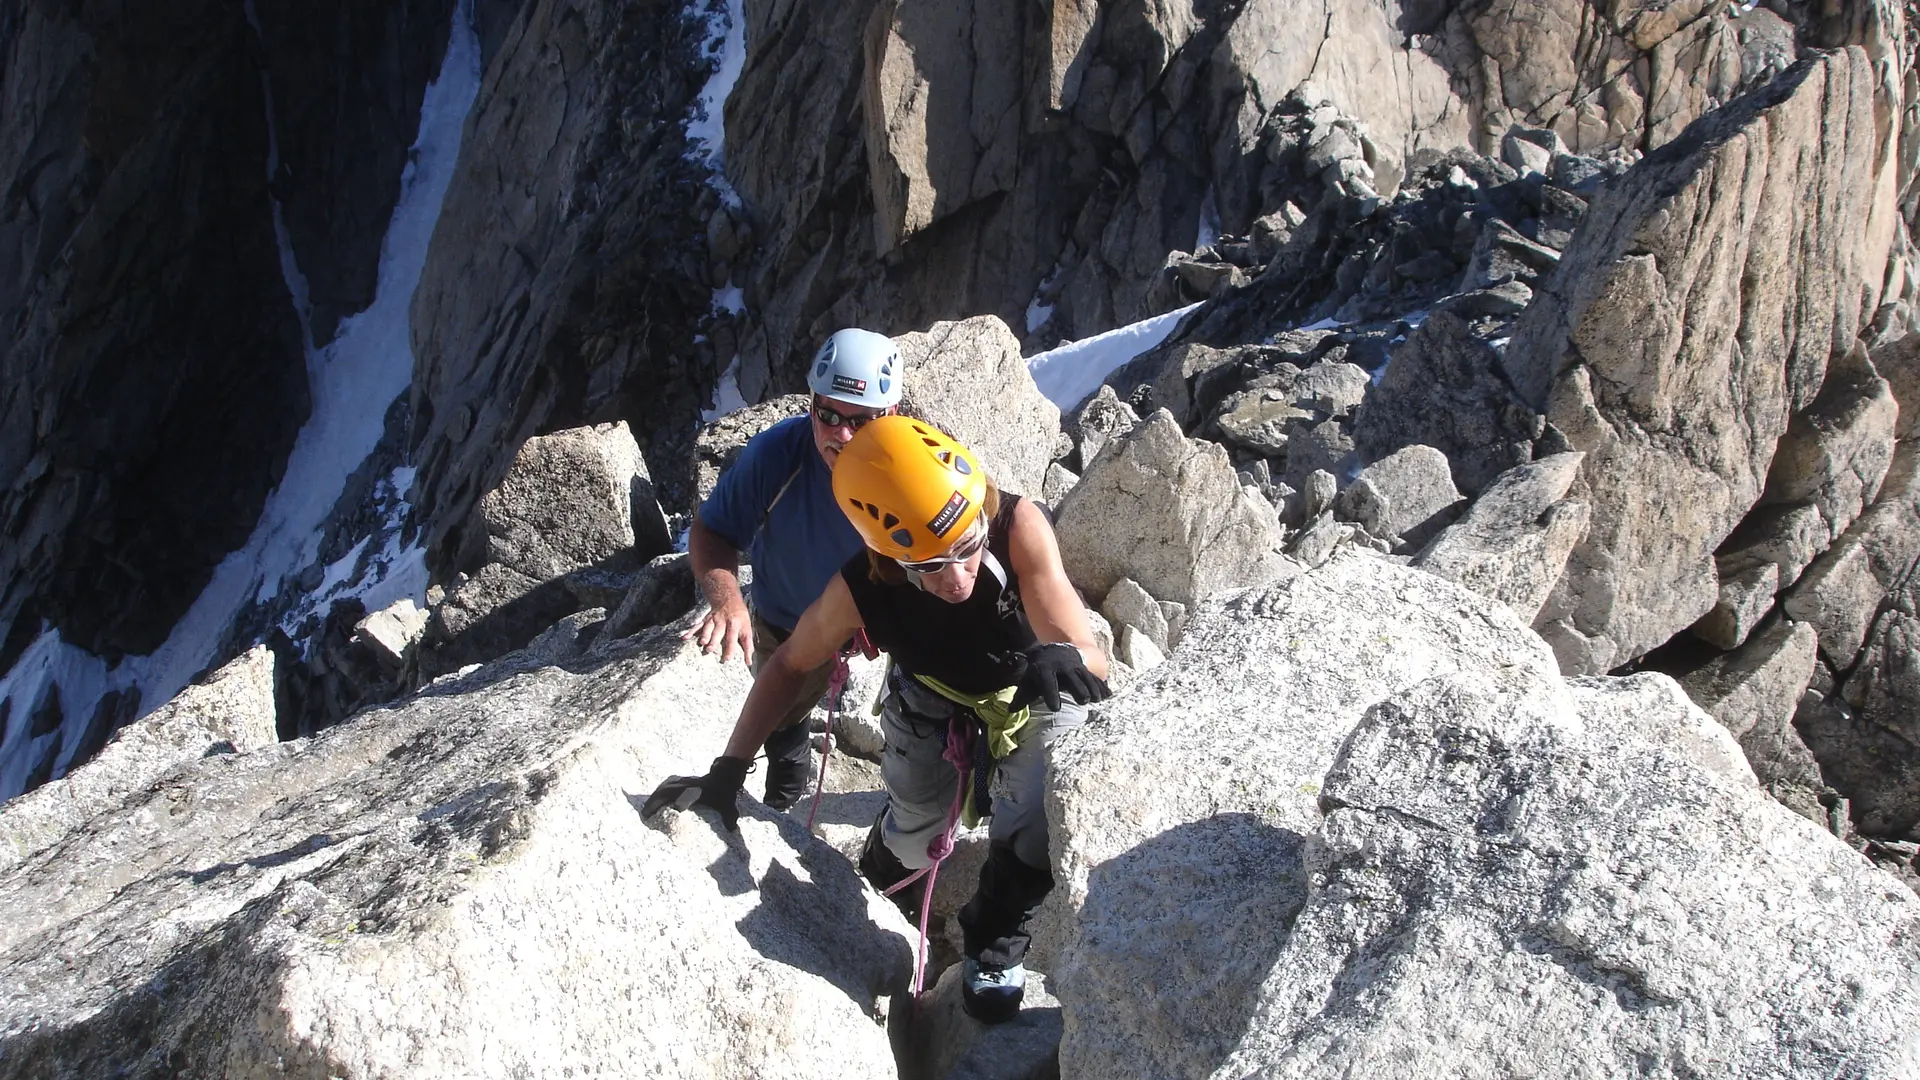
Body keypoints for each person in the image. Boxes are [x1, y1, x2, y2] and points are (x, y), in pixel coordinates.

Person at [645, 415, 1110, 1023]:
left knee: (1044, 783)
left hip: (1024, 690)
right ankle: (889, 866)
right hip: (928, 694)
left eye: (966, 549)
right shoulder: (864, 586)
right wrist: (729, 769)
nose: (958, 578)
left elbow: (1091, 659)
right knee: (915, 822)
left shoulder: (1015, 526)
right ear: (890, 559)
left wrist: (1069, 657)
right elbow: (788, 665)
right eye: (930, 567)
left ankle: (995, 934)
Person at [685, 327, 902, 809]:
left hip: (887, 625)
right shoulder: (776, 457)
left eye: (861, 421)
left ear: (889, 415)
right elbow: (712, 532)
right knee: (785, 717)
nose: (842, 435)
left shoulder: (912, 473)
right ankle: (785, 796)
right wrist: (728, 601)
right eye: (828, 414)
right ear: (811, 405)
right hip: (786, 622)